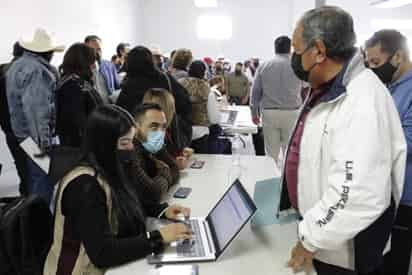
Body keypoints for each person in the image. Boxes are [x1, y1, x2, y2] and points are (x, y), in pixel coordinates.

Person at [282, 6, 406, 275]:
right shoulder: (327, 88)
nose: (293, 57)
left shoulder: (361, 101)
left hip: (341, 251)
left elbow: (357, 192)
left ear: (318, 51)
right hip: (321, 235)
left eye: (296, 48)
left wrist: (311, 238)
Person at [44, 105, 192, 274]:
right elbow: (103, 253)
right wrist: (159, 237)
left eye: (131, 140)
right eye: (124, 142)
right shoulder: (85, 186)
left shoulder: (109, 168)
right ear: (104, 144)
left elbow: (125, 203)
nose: (131, 148)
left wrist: (162, 211)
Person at [365, 30, 412, 275]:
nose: (372, 69)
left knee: (396, 261)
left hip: (405, 196)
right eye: (368, 63)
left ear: (397, 57)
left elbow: (406, 142)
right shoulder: (390, 86)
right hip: (385, 191)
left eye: (376, 62)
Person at [6, 28, 64, 204]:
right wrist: (44, 145)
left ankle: (34, 221)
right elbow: (37, 111)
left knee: (34, 180)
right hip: (36, 139)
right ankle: (41, 226)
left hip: (24, 136)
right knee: (42, 183)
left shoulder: (17, 66)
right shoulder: (38, 71)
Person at [116, 46, 192, 150]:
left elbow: (121, 113)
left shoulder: (129, 86)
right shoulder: (165, 79)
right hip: (166, 136)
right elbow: (184, 102)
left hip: (137, 140)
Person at [251, 35, 302, 167]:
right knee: (290, 152)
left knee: (271, 153)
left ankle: (270, 181)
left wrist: (254, 113)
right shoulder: (297, 66)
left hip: (269, 113)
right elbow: (307, 86)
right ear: (290, 48)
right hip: (292, 113)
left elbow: (255, 92)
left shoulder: (264, 66)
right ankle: (286, 183)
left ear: (275, 48)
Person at [123, 103, 180, 204]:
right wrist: (164, 171)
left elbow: (175, 169)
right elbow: (153, 195)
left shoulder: (154, 145)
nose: (160, 133)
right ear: (136, 128)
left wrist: (160, 182)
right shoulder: (130, 152)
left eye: (163, 127)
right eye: (154, 127)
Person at [56, 43, 104, 148]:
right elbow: (76, 123)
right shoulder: (73, 86)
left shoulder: (74, 81)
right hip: (80, 147)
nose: (94, 66)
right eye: (92, 62)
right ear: (83, 62)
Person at [0, 42, 27, 195]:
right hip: (28, 133)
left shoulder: (2, 70)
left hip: (10, 131)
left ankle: (26, 207)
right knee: (41, 169)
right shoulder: (25, 72)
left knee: (22, 169)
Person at [142, 89, 193, 170]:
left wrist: (181, 154)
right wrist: (175, 165)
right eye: (172, 108)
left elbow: (168, 155)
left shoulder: (164, 131)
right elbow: (154, 168)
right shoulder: (152, 136)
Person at [85, 35, 120, 103]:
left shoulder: (109, 66)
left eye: (99, 49)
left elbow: (117, 87)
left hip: (109, 109)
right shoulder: (80, 68)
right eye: (92, 49)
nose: (96, 53)